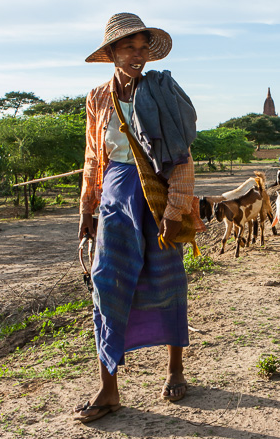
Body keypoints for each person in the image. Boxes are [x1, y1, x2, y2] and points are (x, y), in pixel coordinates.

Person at [74, 12, 196, 423]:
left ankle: (175, 369)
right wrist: (87, 209)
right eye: (129, 47)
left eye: (143, 47)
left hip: (158, 196)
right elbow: (94, 159)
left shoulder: (162, 91)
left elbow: (181, 160)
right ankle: (109, 391)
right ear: (110, 53)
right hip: (114, 198)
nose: (138, 55)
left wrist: (175, 210)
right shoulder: (97, 99)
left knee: (167, 278)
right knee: (106, 284)